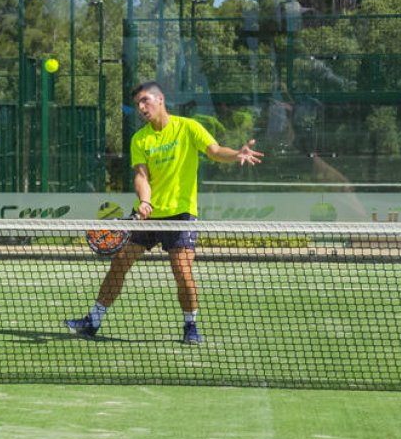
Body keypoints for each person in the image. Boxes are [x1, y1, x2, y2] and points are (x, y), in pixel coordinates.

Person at [65, 81, 263, 344]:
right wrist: (145, 202)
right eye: (138, 104)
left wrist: (236, 153)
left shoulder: (188, 127)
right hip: (147, 216)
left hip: (181, 215)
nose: (141, 107)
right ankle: (93, 321)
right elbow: (141, 175)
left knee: (182, 271)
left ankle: (190, 325)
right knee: (120, 263)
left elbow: (215, 152)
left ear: (160, 100)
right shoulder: (140, 138)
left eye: (145, 100)